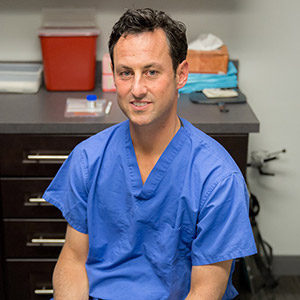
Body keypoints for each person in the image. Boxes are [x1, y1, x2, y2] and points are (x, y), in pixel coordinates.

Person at [43, 8, 257, 300]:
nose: (137, 89)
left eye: (151, 72)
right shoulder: (89, 159)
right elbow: (73, 258)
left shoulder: (217, 179)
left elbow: (206, 290)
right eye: (126, 73)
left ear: (181, 75)